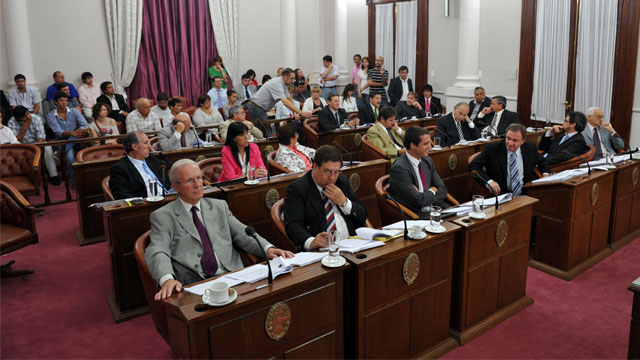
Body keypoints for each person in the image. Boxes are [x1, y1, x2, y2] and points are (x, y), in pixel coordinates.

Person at [145, 159, 294, 299]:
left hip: (233, 276)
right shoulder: (163, 216)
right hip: (195, 284)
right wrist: (167, 279)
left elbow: (242, 232)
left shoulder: (218, 206)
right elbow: (158, 250)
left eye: (199, 178)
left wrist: (267, 249)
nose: (198, 184)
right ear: (175, 187)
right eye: (190, 180)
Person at [284, 145, 368, 251]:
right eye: (327, 171)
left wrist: (344, 203)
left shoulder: (341, 181)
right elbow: (293, 225)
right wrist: (311, 241)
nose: (332, 178)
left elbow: (362, 215)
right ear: (315, 167)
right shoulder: (298, 188)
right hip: (321, 250)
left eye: (336, 172)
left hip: (351, 245)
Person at [468, 123, 550, 196]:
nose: (510, 143)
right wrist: (489, 182)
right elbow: (473, 166)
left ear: (523, 141)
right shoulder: (493, 149)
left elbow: (543, 162)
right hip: (501, 196)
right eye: (508, 138)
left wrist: (545, 175)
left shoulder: (530, 148)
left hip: (526, 195)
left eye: (515, 140)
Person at [389, 126, 448, 217]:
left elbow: (442, 189)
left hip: (436, 209)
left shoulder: (427, 161)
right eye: (426, 144)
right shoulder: (399, 168)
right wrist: (432, 191)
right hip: (416, 216)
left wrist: (425, 197)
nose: (430, 146)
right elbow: (418, 201)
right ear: (413, 145)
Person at [244, 68, 311, 136]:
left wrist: (295, 113)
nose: (293, 81)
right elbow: (285, 102)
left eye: (294, 79)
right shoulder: (277, 83)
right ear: (285, 77)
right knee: (265, 133)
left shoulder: (283, 84)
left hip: (260, 108)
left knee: (266, 131)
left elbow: (289, 99)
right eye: (292, 78)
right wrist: (301, 113)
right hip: (256, 107)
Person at [109, 131, 171, 200]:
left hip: (168, 197)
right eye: (145, 143)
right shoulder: (120, 168)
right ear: (134, 147)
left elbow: (169, 165)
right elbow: (122, 195)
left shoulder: (150, 158)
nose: (150, 147)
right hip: (147, 204)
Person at [47, 91, 92, 181]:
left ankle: (60, 152)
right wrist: (71, 133)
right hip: (60, 140)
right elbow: (58, 132)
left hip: (77, 138)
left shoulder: (74, 111)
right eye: (61, 101)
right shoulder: (51, 115)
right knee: (70, 155)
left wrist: (77, 132)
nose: (64, 103)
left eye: (66, 100)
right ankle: (72, 180)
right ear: (56, 102)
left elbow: (85, 125)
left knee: (79, 135)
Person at [7, 106, 59, 184]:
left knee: (48, 148)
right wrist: (25, 127)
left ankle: (53, 175)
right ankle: (27, 178)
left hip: (37, 144)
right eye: (25, 116)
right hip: (21, 146)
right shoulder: (11, 122)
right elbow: (15, 141)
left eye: (28, 113)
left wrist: (36, 149)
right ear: (18, 119)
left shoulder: (36, 119)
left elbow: (41, 137)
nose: (28, 116)